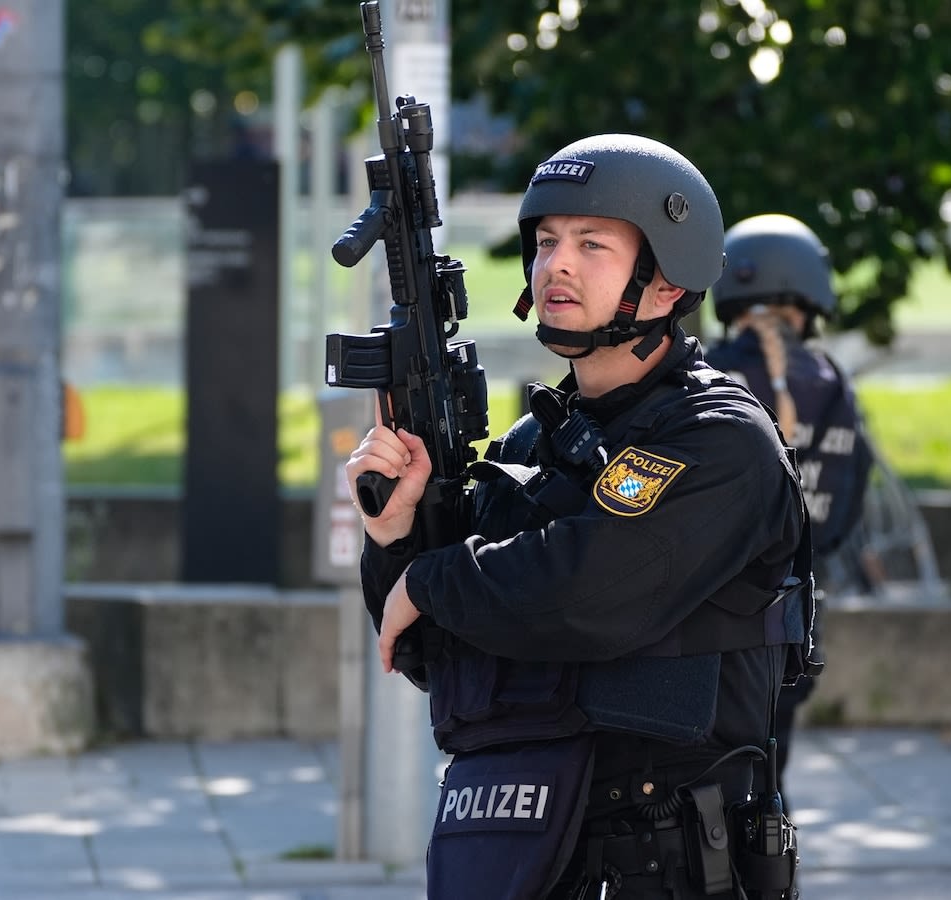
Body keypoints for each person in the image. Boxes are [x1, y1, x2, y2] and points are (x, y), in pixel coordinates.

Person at [345, 135, 814, 899]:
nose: (556, 264)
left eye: (591, 244)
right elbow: (434, 655)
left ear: (667, 282)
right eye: (547, 241)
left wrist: (431, 580)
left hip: (665, 865)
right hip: (522, 852)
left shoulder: (722, 440)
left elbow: (591, 592)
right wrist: (395, 533)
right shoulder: (537, 442)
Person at [706, 213, 875, 808]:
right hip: (795, 623)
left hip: (701, 629)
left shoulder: (702, 377)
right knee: (768, 783)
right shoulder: (833, 383)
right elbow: (848, 504)